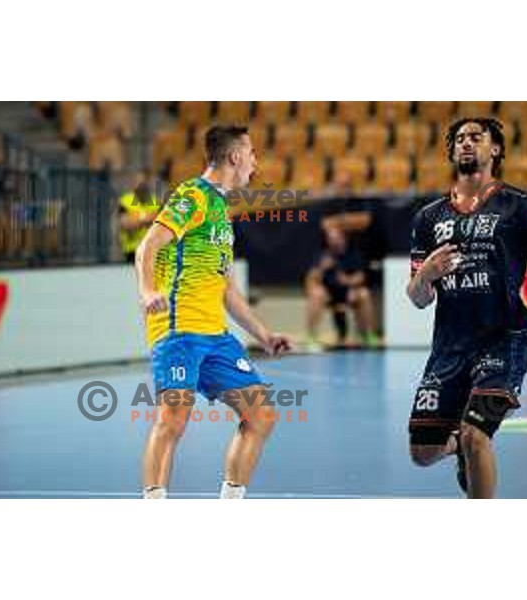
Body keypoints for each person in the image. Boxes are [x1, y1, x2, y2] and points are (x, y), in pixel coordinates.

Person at [407, 117, 527, 499]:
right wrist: (427, 275)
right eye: (460, 139)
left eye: (476, 137)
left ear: (495, 150)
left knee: (476, 433)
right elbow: (418, 298)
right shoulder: (428, 218)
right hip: (449, 348)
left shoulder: (520, 206)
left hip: (504, 338)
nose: (467, 143)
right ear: (452, 152)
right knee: (422, 453)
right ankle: (461, 450)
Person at [136, 125, 293, 499]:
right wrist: (147, 290)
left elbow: (228, 291)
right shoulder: (194, 195)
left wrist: (264, 335)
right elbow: (148, 246)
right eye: (252, 153)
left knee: (260, 415)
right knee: (172, 420)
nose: (255, 162)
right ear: (235, 157)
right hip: (179, 330)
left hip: (215, 335)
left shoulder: (222, 211)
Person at [305, 224, 378, 349]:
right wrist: (322, 268)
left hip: (349, 292)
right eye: (330, 238)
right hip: (328, 294)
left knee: (364, 294)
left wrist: (347, 281)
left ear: (343, 238)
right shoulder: (322, 255)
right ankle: (311, 337)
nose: (333, 240)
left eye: (336, 237)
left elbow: (361, 276)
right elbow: (310, 279)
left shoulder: (353, 253)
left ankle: (368, 335)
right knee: (317, 294)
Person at [119, 170, 159, 264]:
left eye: (143, 183)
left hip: (152, 251)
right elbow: (126, 225)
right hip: (132, 251)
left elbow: (159, 226)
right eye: (138, 183)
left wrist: (137, 220)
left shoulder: (156, 202)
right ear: (133, 184)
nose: (141, 186)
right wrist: (147, 219)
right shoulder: (125, 201)